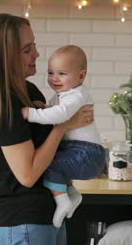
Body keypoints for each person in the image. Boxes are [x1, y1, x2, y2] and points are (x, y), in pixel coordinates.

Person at [0, 13, 94, 245]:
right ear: (6, 57)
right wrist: (62, 126)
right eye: (27, 50)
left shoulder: (27, 90)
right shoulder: (4, 103)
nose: (36, 54)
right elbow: (27, 174)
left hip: (44, 217)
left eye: (33, 45)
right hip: (24, 221)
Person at [21, 45, 106, 228]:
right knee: (53, 163)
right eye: (51, 72)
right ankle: (71, 194)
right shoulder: (63, 95)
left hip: (86, 153)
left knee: (50, 165)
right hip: (79, 151)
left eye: (62, 73)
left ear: (81, 76)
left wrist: (31, 113)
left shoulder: (77, 95)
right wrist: (43, 109)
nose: (54, 79)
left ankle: (62, 201)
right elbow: (55, 113)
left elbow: (59, 115)